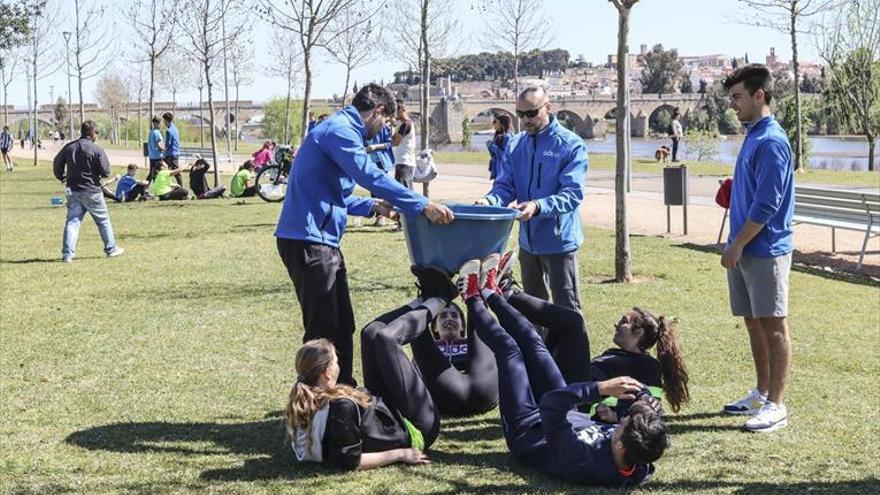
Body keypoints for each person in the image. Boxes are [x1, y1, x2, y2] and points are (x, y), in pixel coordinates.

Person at [275, 83, 454, 387]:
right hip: (309, 241)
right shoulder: (340, 131)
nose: (385, 128)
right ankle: (314, 405)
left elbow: (335, 194)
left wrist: (374, 207)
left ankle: (343, 393)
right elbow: (369, 175)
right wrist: (421, 204)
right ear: (379, 111)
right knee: (323, 329)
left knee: (343, 325)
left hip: (319, 240)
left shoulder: (338, 130)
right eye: (386, 121)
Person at [458, 255, 668, 487]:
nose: (623, 419)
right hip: (567, 413)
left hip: (529, 427)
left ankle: (472, 297)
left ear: (619, 446)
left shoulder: (582, 461)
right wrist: (645, 397)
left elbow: (551, 403)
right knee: (534, 343)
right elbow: (642, 430)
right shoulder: (640, 456)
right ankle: (491, 292)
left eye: (624, 423)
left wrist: (600, 388)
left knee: (510, 351)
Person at [285, 268, 457, 470]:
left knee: (370, 333)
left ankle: (424, 299)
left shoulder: (306, 394)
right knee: (387, 339)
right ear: (327, 373)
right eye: (335, 361)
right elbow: (351, 460)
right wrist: (402, 453)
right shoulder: (342, 407)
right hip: (415, 426)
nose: (339, 364)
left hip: (385, 413)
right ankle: (441, 298)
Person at [719, 64, 794, 434]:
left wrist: (737, 245)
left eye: (737, 97)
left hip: (764, 249)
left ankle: (777, 406)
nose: (732, 104)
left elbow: (767, 206)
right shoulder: (752, 136)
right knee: (753, 322)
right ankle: (762, 392)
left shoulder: (772, 141)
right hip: (745, 248)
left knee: (773, 325)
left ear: (758, 95)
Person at [476, 86, 589, 312]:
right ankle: (538, 348)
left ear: (548, 108)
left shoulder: (571, 145)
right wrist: (489, 201)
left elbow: (572, 194)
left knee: (567, 311)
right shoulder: (515, 144)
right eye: (520, 114)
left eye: (531, 113)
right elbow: (505, 186)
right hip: (528, 244)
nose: (525, 120)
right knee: (532, 311)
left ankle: (571, 349)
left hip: (559, 243)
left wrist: (538, 206)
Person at [589, 308, 691, 422]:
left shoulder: (647, 365)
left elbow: (650, 409)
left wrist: (616, 416)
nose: (616, 325)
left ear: (639, 332)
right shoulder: (611, 354)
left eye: (624, 321)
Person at [53, 120, 124, 262]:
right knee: (103, 220)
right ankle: (111, 248)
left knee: (72, 222)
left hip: (73, 190)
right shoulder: (97, 150)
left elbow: (57, 162)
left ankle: (67, 254)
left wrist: (62, 177)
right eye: (96, 133)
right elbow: (105, 171)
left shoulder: (69, 147)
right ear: (92, 134)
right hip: (92, 191)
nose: (97, 136)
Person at [391, 99, 416, 191]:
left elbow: (395, 142)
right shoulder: (407, 124)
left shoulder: (405, 125)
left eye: (394, 111)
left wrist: (392, 126)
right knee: (408, 191)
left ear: (401, 110)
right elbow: (395, 139)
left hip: (404, 162)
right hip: (405, 162)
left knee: (403, 192)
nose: (394, 115)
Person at [486, 113, 512, 180]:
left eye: (495, 122)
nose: (493, 124)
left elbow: (505, 156)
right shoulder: (498, 136)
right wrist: (489, 147)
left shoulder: (508, 137)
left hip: (504, 172)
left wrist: (492, 146)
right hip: (497, 171)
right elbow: (494, 155)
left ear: (502, 124)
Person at [162, 112, 182, 186]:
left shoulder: (169, 131)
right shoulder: (175, 128)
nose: (164, 123)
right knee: (166, 170)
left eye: (164, 121)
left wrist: (163, 153)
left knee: (176, 172)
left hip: (171, 154)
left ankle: (182, 188)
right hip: (175, 152)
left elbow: (168, 144)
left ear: (166, 121)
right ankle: (166, 184)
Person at [146, 116, 165, 182]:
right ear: (156, 123)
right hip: (157, 157)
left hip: (151, 156)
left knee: (152, 173)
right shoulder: (157, 133)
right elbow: (158, 145)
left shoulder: (151, 132)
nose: (161, 125)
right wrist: (164, 150)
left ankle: (145, 188)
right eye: (160, 123)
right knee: (158, 173)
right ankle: (156, 187)